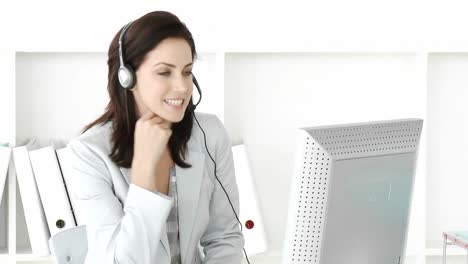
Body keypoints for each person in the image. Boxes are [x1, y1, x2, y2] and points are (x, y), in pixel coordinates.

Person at [67, 10, 245, 264]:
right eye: (164, 72)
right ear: (127, 77)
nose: (183, 87)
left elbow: (224, 238)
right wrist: (143, 177)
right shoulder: (88, 153)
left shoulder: (210, 134)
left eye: (186, 72)